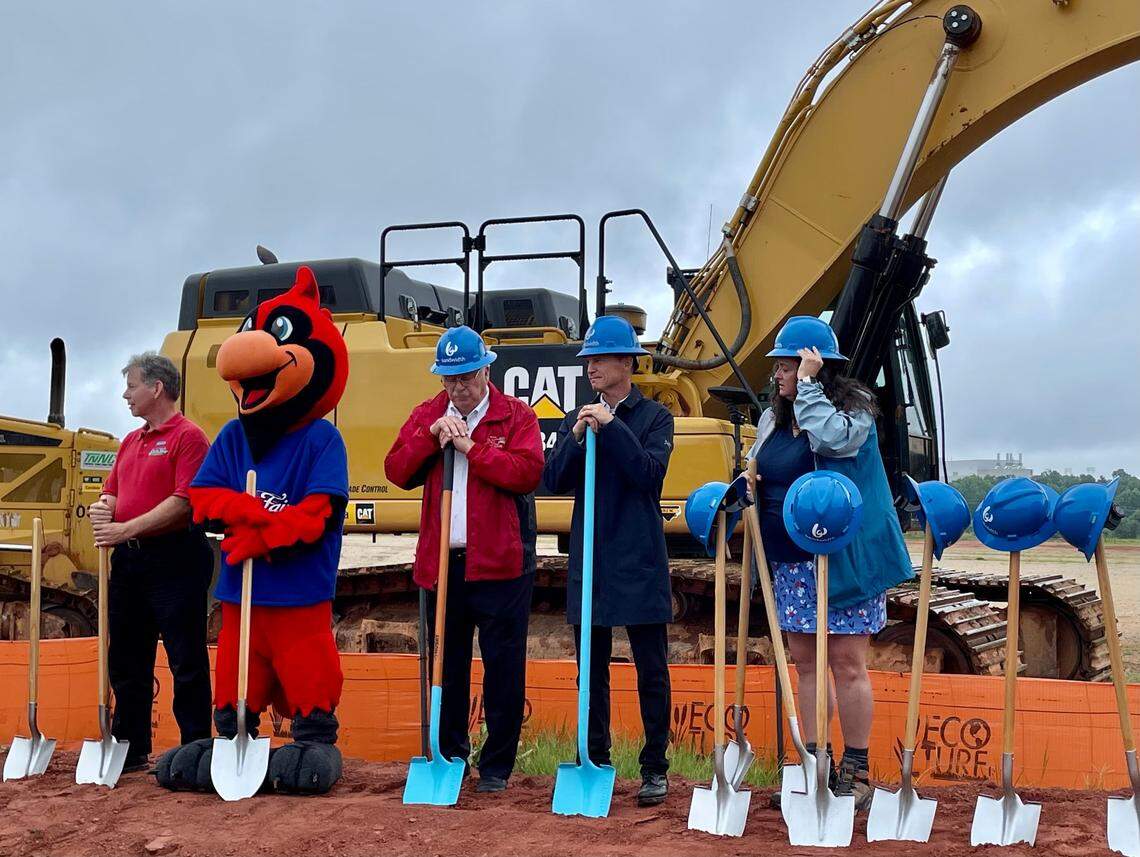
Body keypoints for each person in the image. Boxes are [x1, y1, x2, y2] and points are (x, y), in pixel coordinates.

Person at [744, 316, 912, 811]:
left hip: (844, 561)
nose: (777, 372)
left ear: (814, 366)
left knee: (847, 664)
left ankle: (856, 771)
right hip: (791, 563)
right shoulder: (774, 417)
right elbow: (762, 464)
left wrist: (810, 387)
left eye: (787, 363)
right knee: (806, 665)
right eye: (778, 363)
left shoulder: (851, 412)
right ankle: (815, 768)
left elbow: (831, 441)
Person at [385, 325, 544, 794]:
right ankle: (450, 754)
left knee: (503, 668)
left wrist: (471, 449)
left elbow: (527, 472)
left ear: (485, 370)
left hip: (500, 565)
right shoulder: (428, 414)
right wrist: (431, 438)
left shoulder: (516, 416)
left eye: (467, 378)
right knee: (447, 666)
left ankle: (496, 766)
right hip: (445, 565)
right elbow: (396, 470)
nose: (458, 389)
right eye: (450, 380)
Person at [543, 315, 675, 807]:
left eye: (599, 359)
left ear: (627, 362)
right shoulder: (578, 417)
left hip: (637, 558)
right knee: (590, 669)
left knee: (650, 668)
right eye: (588, 360)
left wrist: (613, 426)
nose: (590, 367)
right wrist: (578, 434)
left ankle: (655, 768)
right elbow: (553, 479)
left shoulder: (655, 418)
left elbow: (648, 474)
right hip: (590, 561)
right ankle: (593, 757)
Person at [88, 352, 213, 775]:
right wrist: (102, 509)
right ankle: (131, 746)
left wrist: (124, 530)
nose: (126, 394)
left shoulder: (189, 437)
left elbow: (184, 503)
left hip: (175, 557)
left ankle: (196, 748)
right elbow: (113, 494)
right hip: (130, 563)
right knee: (125, 657)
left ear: (156, 388)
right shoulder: (130, 441)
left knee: (185, 657)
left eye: (132, 385)